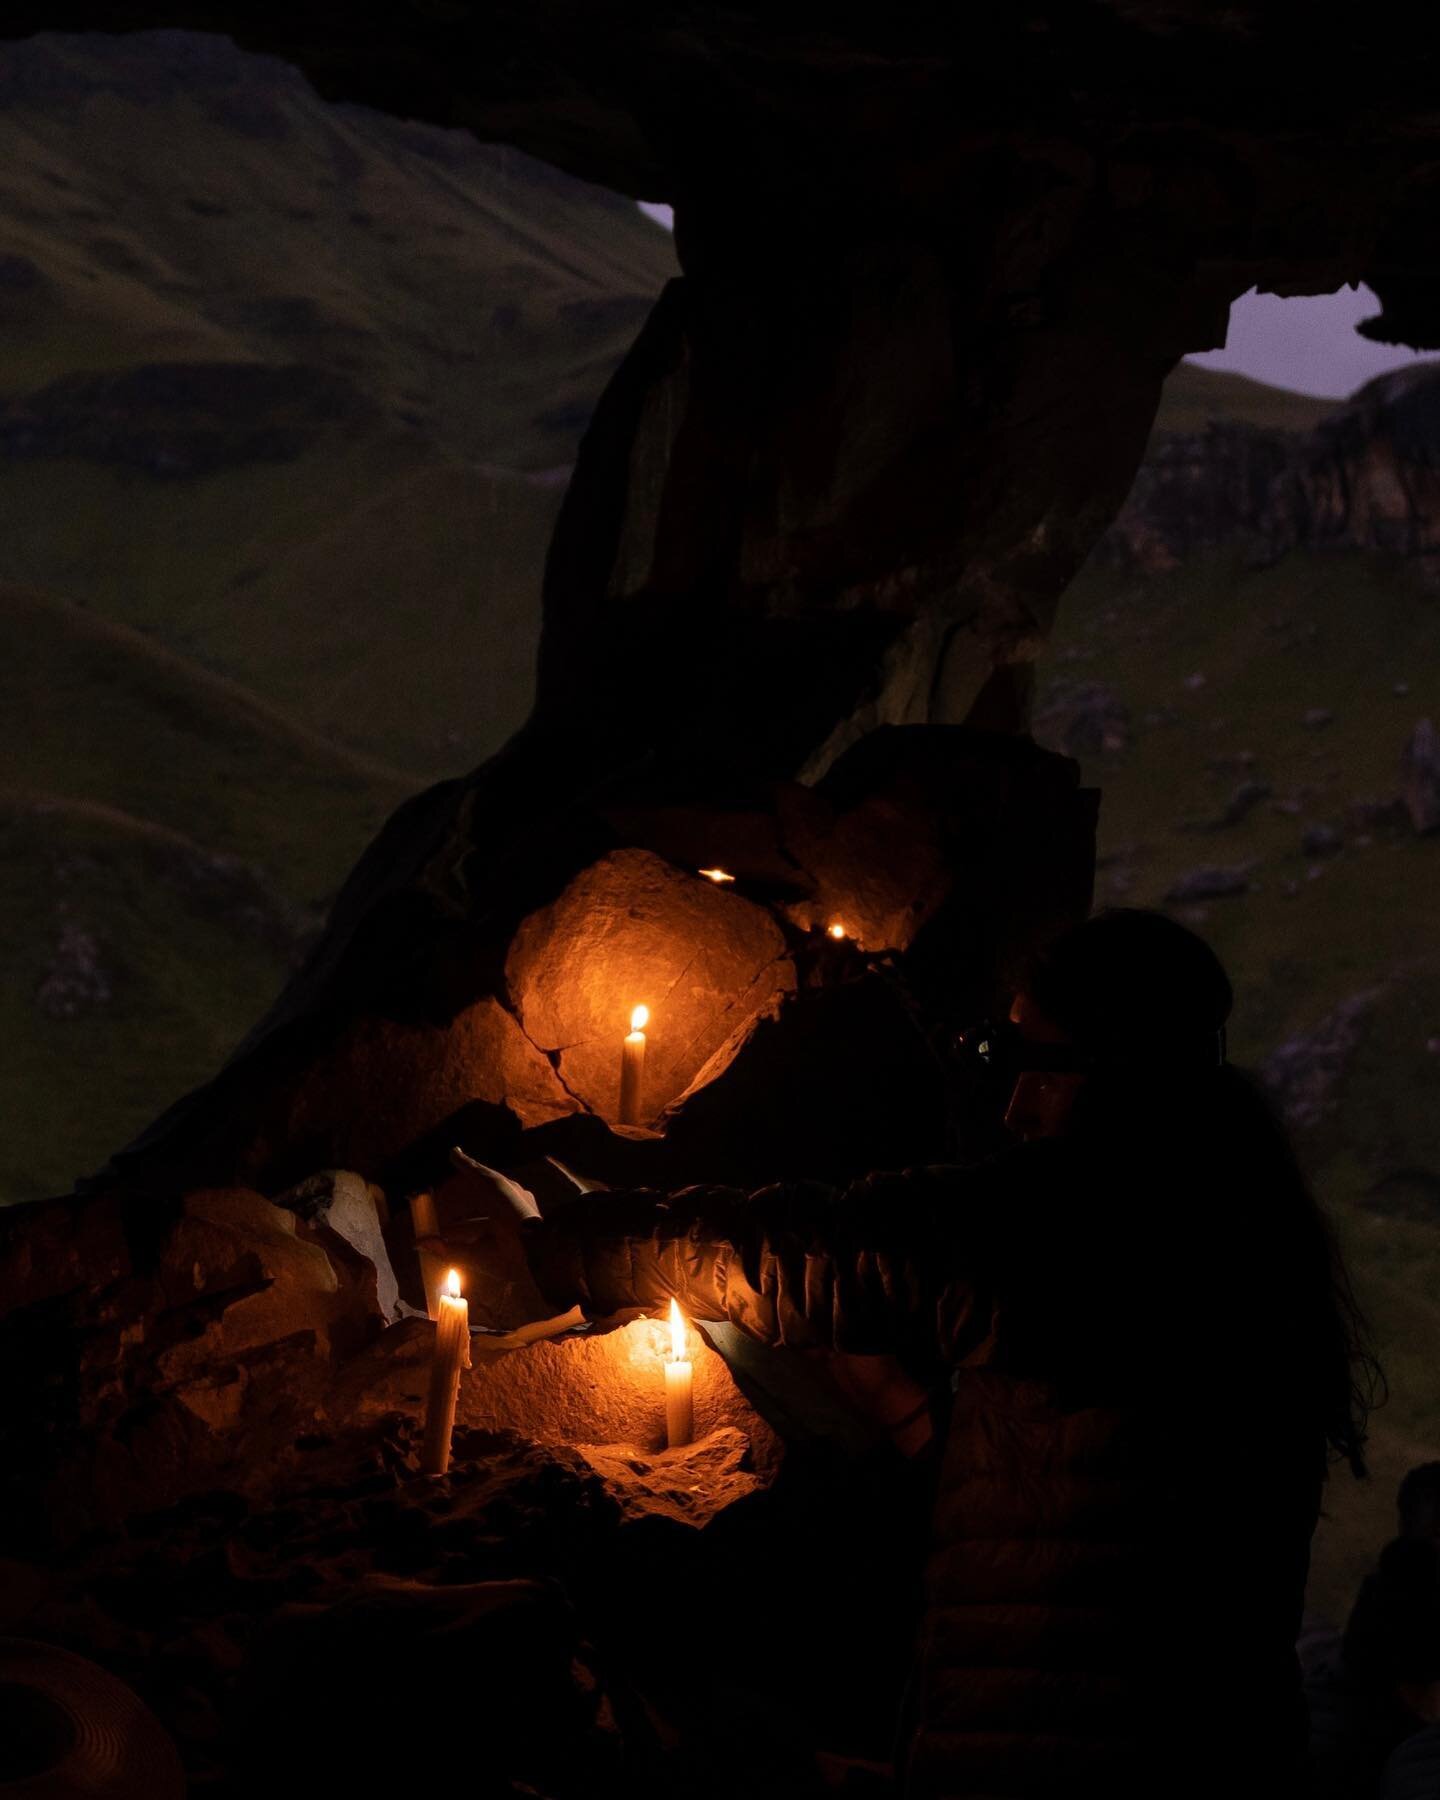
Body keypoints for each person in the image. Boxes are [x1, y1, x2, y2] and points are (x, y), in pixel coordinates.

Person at [460, 909, 1375, 1800]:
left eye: (1035, 1066)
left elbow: (806, 1254)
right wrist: (904, 1413)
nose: (1013, 1107)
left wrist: (558, 1247)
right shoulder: (1240, 1223)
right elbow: (1111, 1504)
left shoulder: (1079, 1217)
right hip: (1211, 1749)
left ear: (1119, 1075)